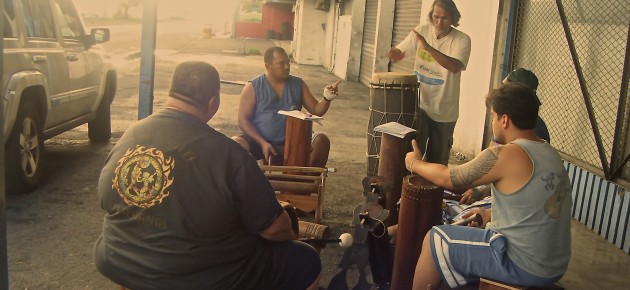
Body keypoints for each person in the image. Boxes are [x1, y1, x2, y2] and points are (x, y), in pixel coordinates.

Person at [93, 61, 321, 290]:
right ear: (213, 103)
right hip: (197, 277)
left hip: (117, 259)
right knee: (306, 260)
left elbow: (106, 197)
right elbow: (274, 229)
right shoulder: (230, 156)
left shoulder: (132, 134)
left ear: (172, 92)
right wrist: (290, 232)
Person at [405, 83, 572, 289]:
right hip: (553, 265)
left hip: (523, 264)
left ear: (504, 120)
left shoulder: (508, 154)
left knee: (435, 240)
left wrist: (415, 163)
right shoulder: (549, 152)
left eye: (493, 116)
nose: (491, 122)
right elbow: (535, 206)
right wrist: (489, 215)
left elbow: (451, 178)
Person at [388, 0, 471, 165]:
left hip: (445, 111)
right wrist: (395, 53)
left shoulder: (462, 40)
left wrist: (427, 47)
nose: (439, 22)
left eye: (445, 18)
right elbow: (401, 51)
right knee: (412, 157)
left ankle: (433, 192)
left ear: (454, 19)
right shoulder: (422, 31)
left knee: (437, 163)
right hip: (420, 106)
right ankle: (409, 191)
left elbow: (454, 66)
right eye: (436, 17)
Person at [232, 46, 340, 167]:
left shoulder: (298, 84)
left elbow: (316, 110)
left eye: (288, 62)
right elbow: (243, 121)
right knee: (236, 143)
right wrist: (262, 143)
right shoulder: (252, 87)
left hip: (293, 142)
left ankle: (305, 182)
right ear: (268, 66)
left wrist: (327, 99)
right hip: (259, 142)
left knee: (322, 141)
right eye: (281, 63)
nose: (287, 67)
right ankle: (248, 182)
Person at [459, 67, 550, 205]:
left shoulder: (532, 131)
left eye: (505, 89)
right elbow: (490, 155)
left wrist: (481, 191)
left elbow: (514, 178)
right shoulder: (509, 122)